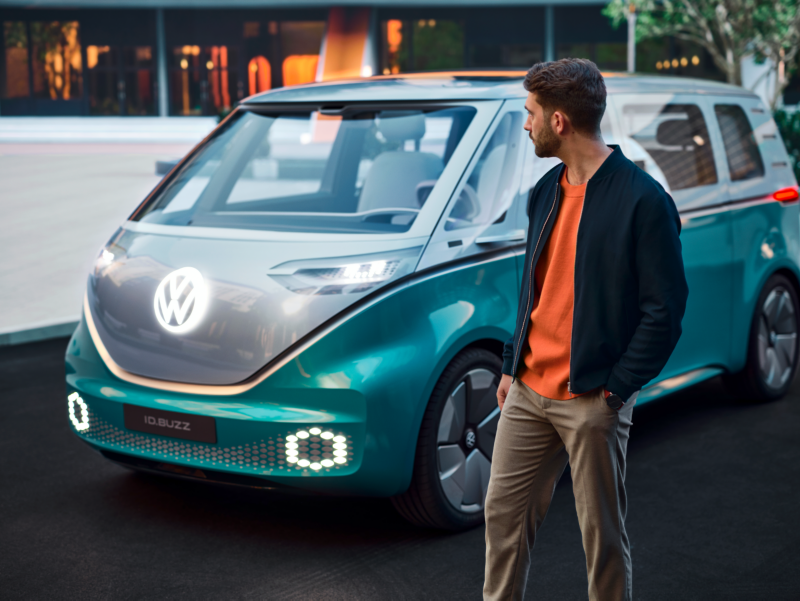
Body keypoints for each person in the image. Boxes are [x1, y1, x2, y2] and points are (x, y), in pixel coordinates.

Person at [483, 59, 688, 601]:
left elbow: (664, 310)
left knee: (601, 538)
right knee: (502, 517)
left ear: (559, 122)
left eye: (530, 113)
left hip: (592, 396)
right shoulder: (545, 192)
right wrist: (511, 365)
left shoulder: (644, 201)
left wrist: (616, 390)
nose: (524, 124)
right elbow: (534, 288)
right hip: (527, 392)